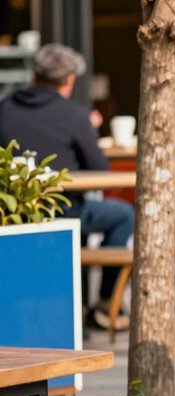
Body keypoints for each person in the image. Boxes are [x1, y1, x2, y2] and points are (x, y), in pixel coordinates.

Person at [0, 43, 133, 329]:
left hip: (15, 215)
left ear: (35, 75)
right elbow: (100, 169)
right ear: (70, 80)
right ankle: (106, 303)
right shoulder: (74, 115)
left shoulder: (4, 109)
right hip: (64, 211)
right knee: (124, 215)